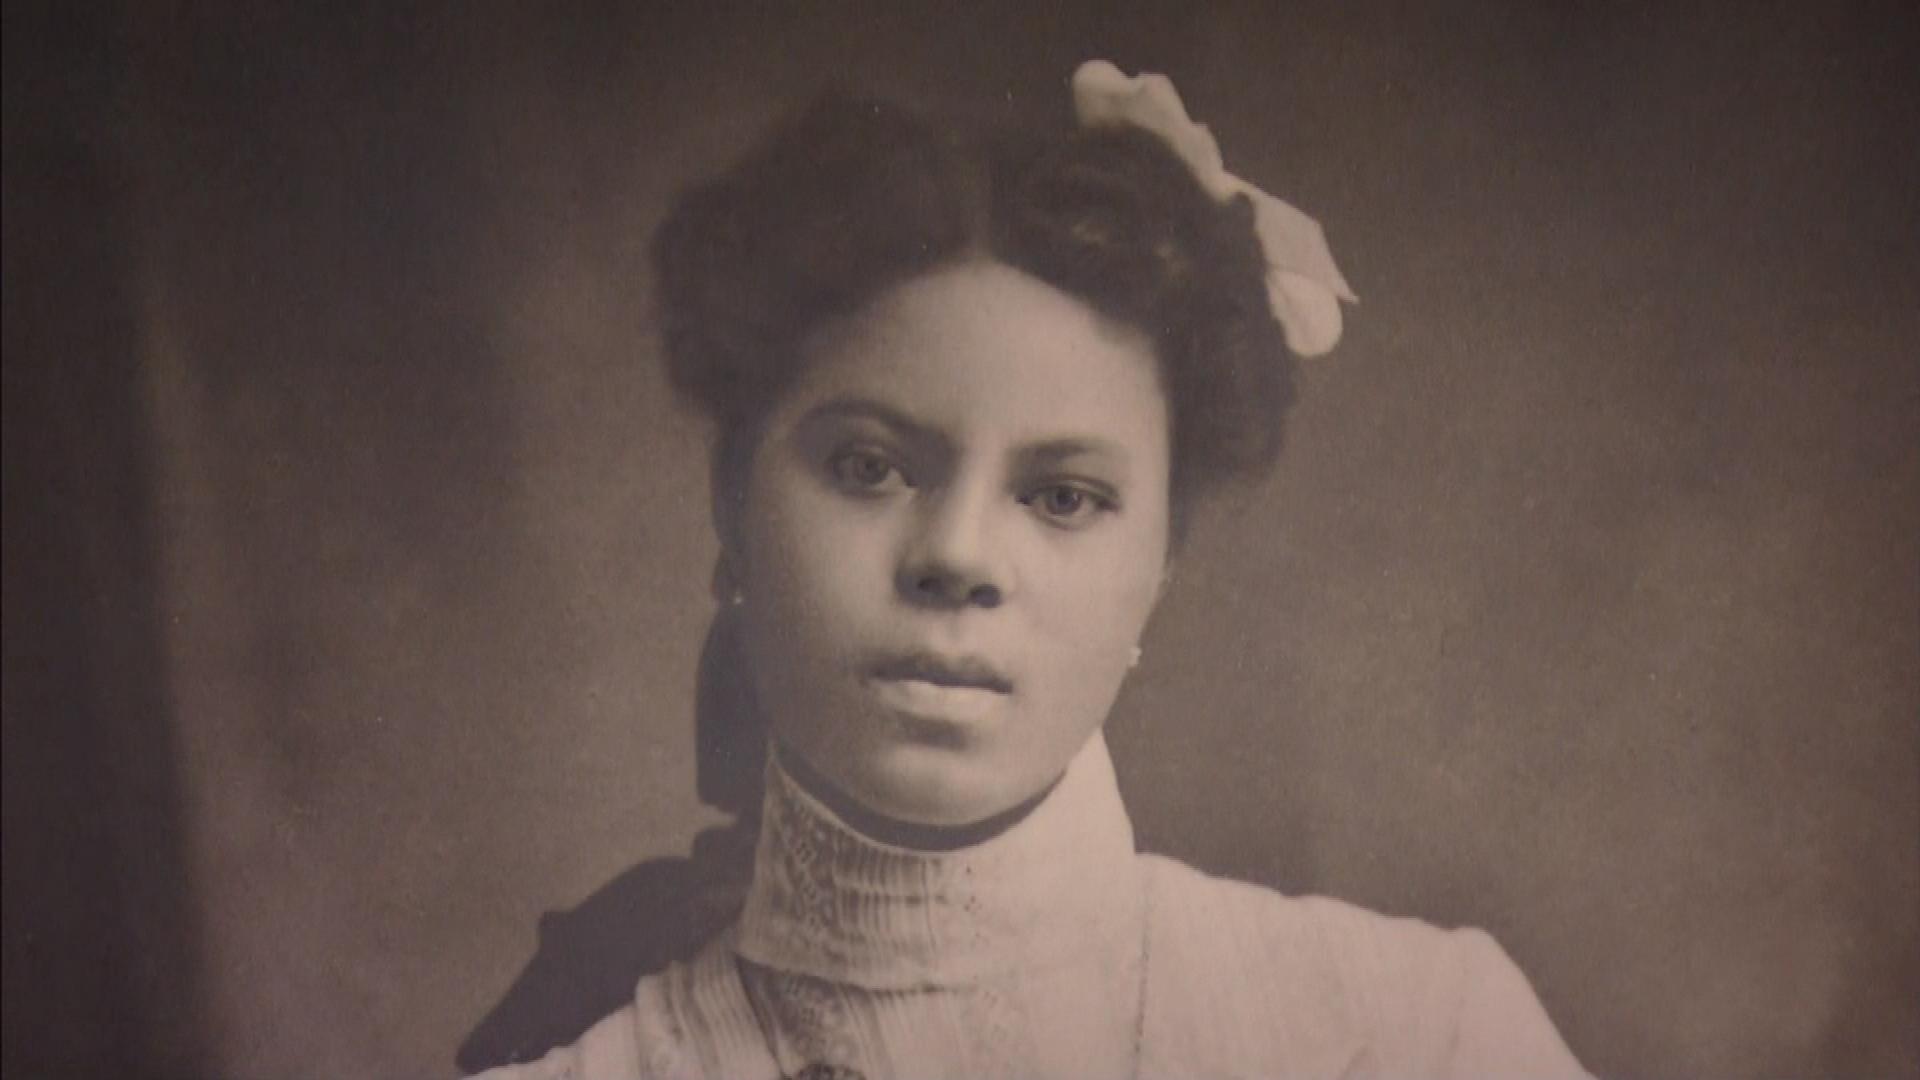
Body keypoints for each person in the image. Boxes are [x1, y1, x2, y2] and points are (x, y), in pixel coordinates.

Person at [473, 61, 1590, 1079]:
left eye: (1063, 497)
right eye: (868, 467)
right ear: (733, 505)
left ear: (1161, 560)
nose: (957, 556)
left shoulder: (1418, 1034)